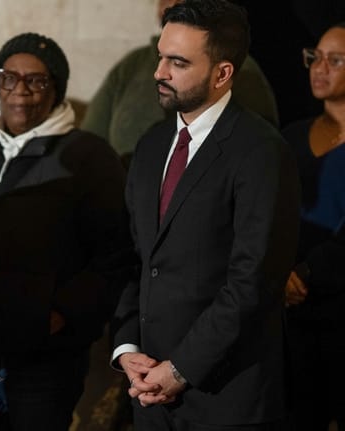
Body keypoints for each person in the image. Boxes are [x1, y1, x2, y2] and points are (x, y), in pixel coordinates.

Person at [110, 1, 300, 430]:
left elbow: (253, 281)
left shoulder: (261, 151)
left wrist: (179, 370)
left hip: (227, 400)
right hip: (149, 395)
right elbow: (135, 259)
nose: (159, 72)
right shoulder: (151, 145)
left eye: (177, 62)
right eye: (161, 56)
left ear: (222, 73)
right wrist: (126, 349)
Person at [0, 32, 129, 430]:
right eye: (9, 78)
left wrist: (60, 314)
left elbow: (114, 256)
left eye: (36, 81)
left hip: (46, 360)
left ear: (56, 90)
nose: (20, 91)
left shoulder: (89, 156)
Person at [80, 0, 279, 167]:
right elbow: (90, 143)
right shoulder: (132, 65)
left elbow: (259, 139)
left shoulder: (242, 70)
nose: (159, 74)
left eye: (178, 63)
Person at [282, 22, 345, 431]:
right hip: (292, 309)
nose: (319, 68)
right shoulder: (288, 138)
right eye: (315, 57)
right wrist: (280, 272)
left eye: (335, 60)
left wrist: (306, 273)